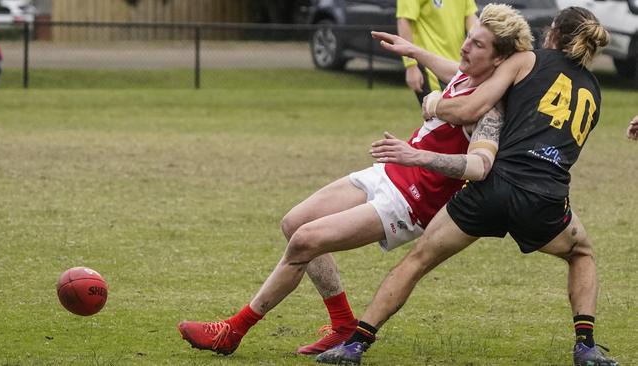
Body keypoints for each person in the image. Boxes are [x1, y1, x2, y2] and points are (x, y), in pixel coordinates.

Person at [176, 3, 533, 357]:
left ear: (499, 60)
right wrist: (413, 51)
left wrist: (416, 155)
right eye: (469, 37)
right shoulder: (469, 73)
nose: (465, 47)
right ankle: (343, 325)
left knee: (304, 241)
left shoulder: (490, 110)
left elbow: (478, 167)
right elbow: (452, 70)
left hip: (408, 202)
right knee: (294, 222)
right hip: (387, 174)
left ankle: (232, 330)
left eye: (478, 45)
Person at [316, 6, 618, 366]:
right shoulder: (594, 92)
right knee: (580, 252)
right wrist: (416, 53)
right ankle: (585, 346)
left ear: (554, 34)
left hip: (493, 187)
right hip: (545, 198)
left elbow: (471, 104)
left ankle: (355, 345)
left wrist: (435, 103)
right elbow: (473, 78)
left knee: (419, 259)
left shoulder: (527, 59)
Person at [397, 0, 477, 106]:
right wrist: (410, 66)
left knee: (459, 118)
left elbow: (471, 19)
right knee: (440, 117)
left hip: (457, 69)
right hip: (430, 70)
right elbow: (404, 21)